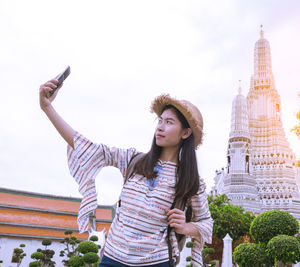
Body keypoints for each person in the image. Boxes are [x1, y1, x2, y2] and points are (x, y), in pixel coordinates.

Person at [39, 75, 213, 267]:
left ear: (186, 132)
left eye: (169, 122)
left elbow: (206, 223)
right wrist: (47, 108)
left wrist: (187, 227)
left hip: (155, 262)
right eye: (160, 120)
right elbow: (87, 147)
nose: (160, 127)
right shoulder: (133, 160)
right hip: (112, 258)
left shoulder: (190, 180)